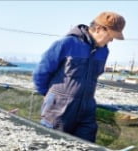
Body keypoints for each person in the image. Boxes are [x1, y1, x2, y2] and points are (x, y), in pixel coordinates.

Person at [33, 12, 125, 142]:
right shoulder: (67, 43)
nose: (111, 40)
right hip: (59, 109)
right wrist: (50, 96)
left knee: (86, 149)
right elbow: (41, 72)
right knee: (53, 146)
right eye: (111, 36)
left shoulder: (104, 51)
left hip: (87, 109)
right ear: (98, 29)